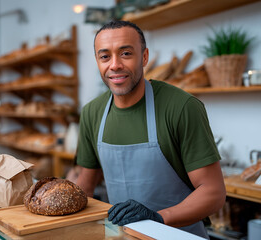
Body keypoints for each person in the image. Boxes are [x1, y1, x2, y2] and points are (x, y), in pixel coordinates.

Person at [75, 20, 226, 238]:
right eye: (105, 56)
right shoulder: (92, 113)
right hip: (122, 235)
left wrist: (158, 218)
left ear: (144, 57)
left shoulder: (181, 107)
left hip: (178, 234)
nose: (115, 65)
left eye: (126, 53)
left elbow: (213, 193)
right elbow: (85, 188)